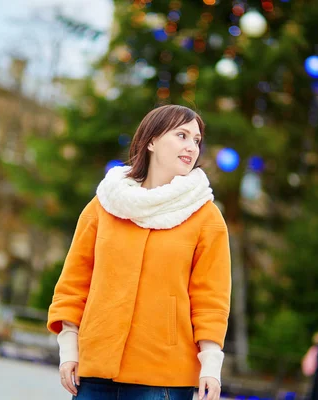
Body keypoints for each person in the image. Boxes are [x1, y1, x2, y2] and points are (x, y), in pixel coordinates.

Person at [47, 105, 232, 400]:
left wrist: (210, 364)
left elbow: (211, 298)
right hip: (95, 370)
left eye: (196, 140)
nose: (191, 147)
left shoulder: (206, 217)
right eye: (182, 135)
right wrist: (69, 347)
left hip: (163, 378)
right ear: (151, 141)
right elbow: (74, 282)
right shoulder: (104, 205)